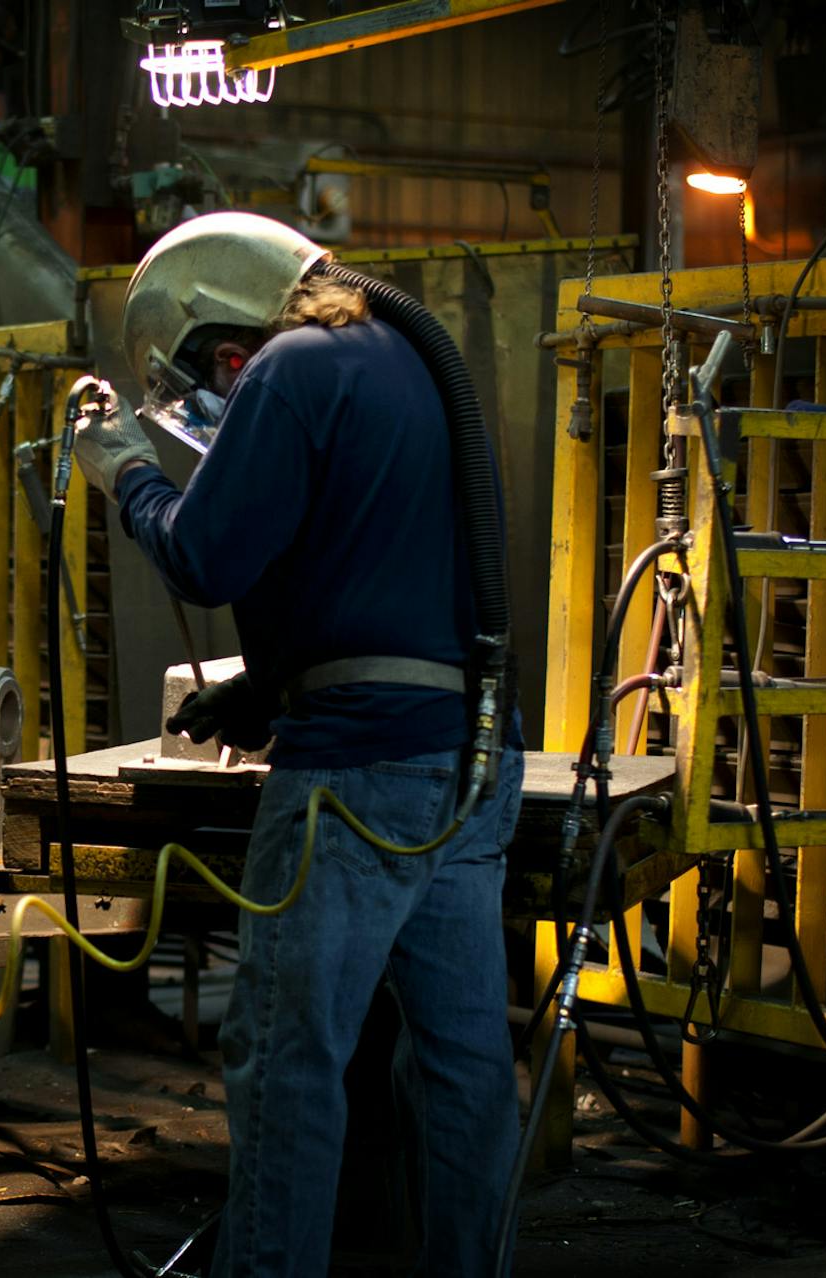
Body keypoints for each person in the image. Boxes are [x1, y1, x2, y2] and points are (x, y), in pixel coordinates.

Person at [70, 212, 525, 1278]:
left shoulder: (286, 370)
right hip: (468, 771)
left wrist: (124, 469)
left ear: (226, 348)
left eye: (205, 391)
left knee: (286, 1059)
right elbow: (376, 568)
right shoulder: (409, 363)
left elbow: (207, 556)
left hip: (355, 786)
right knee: (461, 1071)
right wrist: (260, 694)